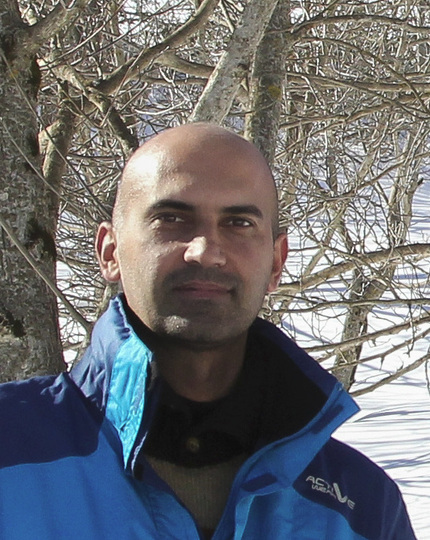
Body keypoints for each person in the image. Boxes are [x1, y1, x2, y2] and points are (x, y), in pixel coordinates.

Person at [0, 123, 416, 539]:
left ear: (276, 262)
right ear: (110, 252)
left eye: (238, 223)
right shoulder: (10, 448)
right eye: (170, 218)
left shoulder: (360, 507)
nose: (205, 251)